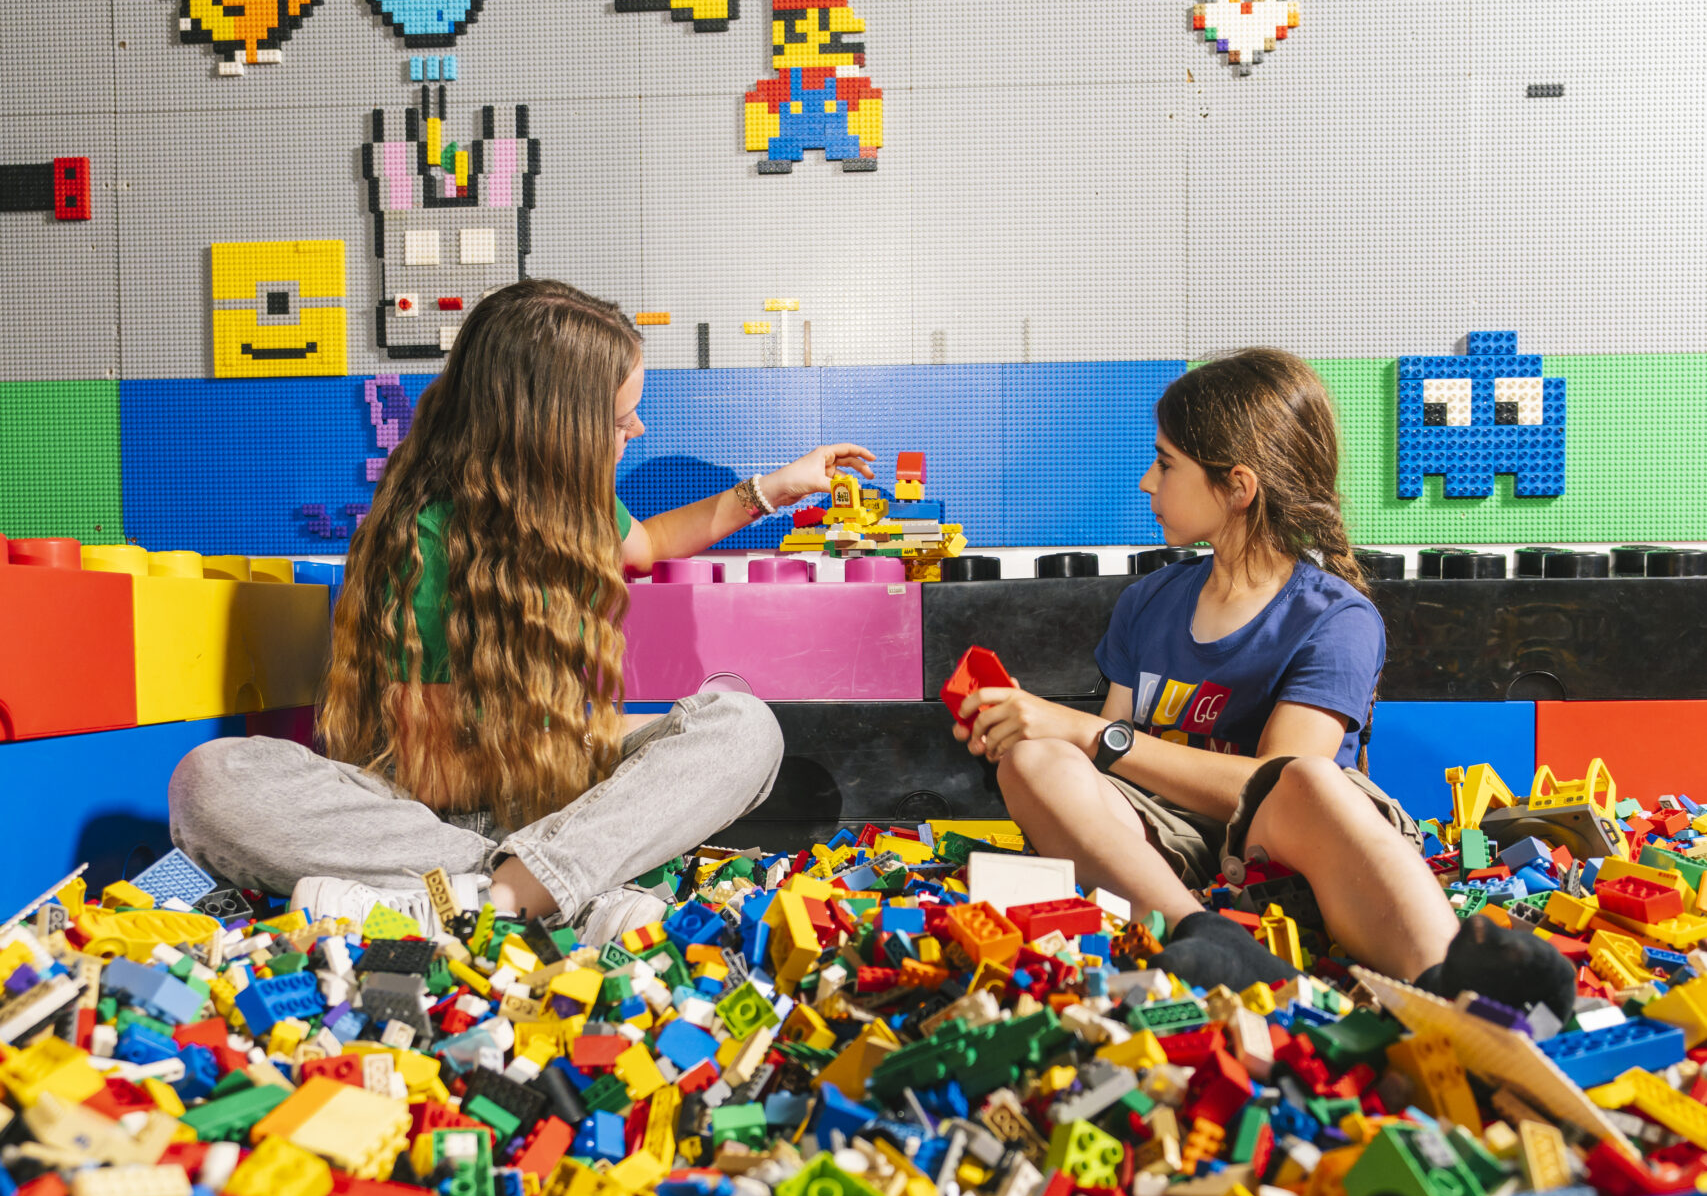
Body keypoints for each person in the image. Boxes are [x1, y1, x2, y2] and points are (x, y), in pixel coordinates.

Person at [168, 279, 875, 944]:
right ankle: (538, 891)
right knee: (209, 783)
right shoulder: (426, 538)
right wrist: (574, 754)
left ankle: (495, 893)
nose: (638, 427)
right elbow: (446, 768)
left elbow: (649, 542)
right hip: (444, 799)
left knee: (743, 726)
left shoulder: (571, 508)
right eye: (619, 416)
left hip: (552, 783)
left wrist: (773, 488)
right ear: (550, 428)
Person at [950, 347, 1574, 1017]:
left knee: (1300, 776)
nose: (1144, 482)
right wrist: (1027, 724)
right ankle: (1201, 934)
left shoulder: (1332, 617)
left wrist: (1090, 733)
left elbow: (1264, 782)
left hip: (1296, 847)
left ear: (1238, 486)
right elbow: (1108, 769)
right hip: (1168, 849)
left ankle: (1446, 976)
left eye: (1164, 464)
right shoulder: (1148, 602)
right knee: (1034, 760)